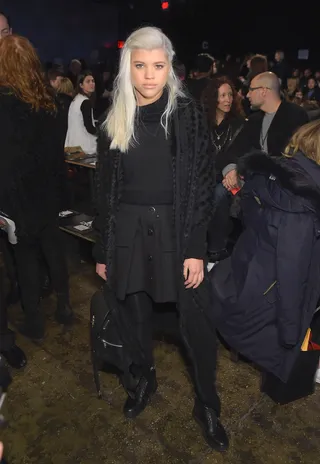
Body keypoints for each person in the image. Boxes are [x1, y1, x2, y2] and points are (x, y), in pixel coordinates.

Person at [93, 26, 228, 452]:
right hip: (127, 229)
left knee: (196, 327)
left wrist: (195, 250)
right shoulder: (116, 114)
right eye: (139, 66)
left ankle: (207, 403)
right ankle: (142, 379)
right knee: (133, 316)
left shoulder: (186, 114)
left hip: (176, 227)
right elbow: (103, 189)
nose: (149, 75)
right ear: (126, 67)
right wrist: (102, 249)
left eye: (158, 65)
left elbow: (205, 184)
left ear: (170, 67)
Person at [211, 120, 320, 383]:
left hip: (246, 276)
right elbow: (292, 276)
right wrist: (291, 336)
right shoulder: (301, 207)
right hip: (267, 304)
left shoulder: (273, 175)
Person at [0, 35, 73, 340]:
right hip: (48, 191)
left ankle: (34, 321)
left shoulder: (4, 103)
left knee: (25, 258)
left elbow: (6, 161)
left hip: (18, 195)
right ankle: (65, 307)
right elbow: (56, 151)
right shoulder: (49, 98)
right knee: (53, 249)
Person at [223, 72, 309, 171]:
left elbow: (299, 157)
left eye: (251, 90)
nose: (247, 95)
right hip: (256, 180)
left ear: (263, 91)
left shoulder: (295, 115)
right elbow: (235, 149)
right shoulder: (253, 120)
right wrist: (230, 169)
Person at [202, 76, 246, 261]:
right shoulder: (203, 123)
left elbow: (241, 154)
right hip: (206, 175)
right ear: (213, 98)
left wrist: (232, 169)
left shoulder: (239, 123)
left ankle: (216, 249)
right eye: (222, 95)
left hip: (233, 177)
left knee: (219, 193)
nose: (228, 99)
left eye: (230, 94)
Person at [65, 71, 97, 154]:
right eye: (88, 81)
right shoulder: (85, 102)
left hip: (72, 144)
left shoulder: (75, 99)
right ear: (81, 85)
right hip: (84, 146)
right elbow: (89, 127)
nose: (92, 84)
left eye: (93, 81)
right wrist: (101, 134)